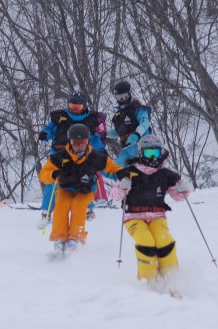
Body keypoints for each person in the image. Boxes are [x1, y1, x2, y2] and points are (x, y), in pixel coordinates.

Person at [110, 134, 190, 294]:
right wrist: (122, 187)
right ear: (140, 153)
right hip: (133, 217)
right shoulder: (129, 173)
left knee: (164, 241)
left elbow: (178, 196)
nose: (153, 157)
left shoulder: (165, 174)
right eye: (148, 153)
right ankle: (149, 281)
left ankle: (172, 278)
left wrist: (183, 190)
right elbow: (115, 196)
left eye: (156, 153)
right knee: (146, 241)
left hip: (157, 217)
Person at [39, 124, 122, 253]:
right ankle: (59, 238)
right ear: (70, 141)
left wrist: (124, 177)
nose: (79, 145)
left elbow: (112, 169)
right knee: (61, 207)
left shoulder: (95, 157)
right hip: (65, 189)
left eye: (82, 142)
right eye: (75, 142)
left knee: (78, 206)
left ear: (87, 141)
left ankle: (75, 238)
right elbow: (44, 174)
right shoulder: (60, 157)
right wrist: (53, 174)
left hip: (85, 191)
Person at [37, 90, 106, 225]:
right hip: (59, 154)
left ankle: (88, 209)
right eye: (72, 106)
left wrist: (101, 151)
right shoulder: (60, 118)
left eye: (78, 107)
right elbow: (50, 130)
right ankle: (47, 211)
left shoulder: (89, 121)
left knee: (85, 179)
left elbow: (95, 138)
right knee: (53, 179)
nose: (75, 110)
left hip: (81, 154)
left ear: (84, 107)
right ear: (67, 105)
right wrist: (45, 134)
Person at [107, 80, 153, 167]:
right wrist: (105, 133)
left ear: (129, 94)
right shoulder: (120, 114)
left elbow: (144, 123)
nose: (121, 100)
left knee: (140, 173)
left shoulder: (138, 108)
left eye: (123, 96)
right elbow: (120, 132)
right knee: (115, 171)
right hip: (127, 150)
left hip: (142, 146)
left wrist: (137, 134)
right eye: (118, 97)